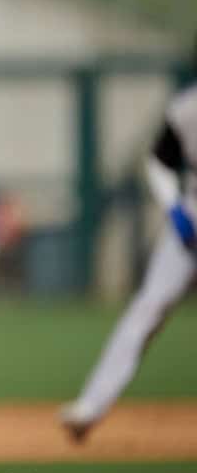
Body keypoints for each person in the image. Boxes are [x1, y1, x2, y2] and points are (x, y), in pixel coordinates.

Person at [60, 81, 197, 441]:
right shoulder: (187, 107)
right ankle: (90, 406)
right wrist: (173, 206)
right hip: (190, 225)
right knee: (148, 308)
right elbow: (159, 160)